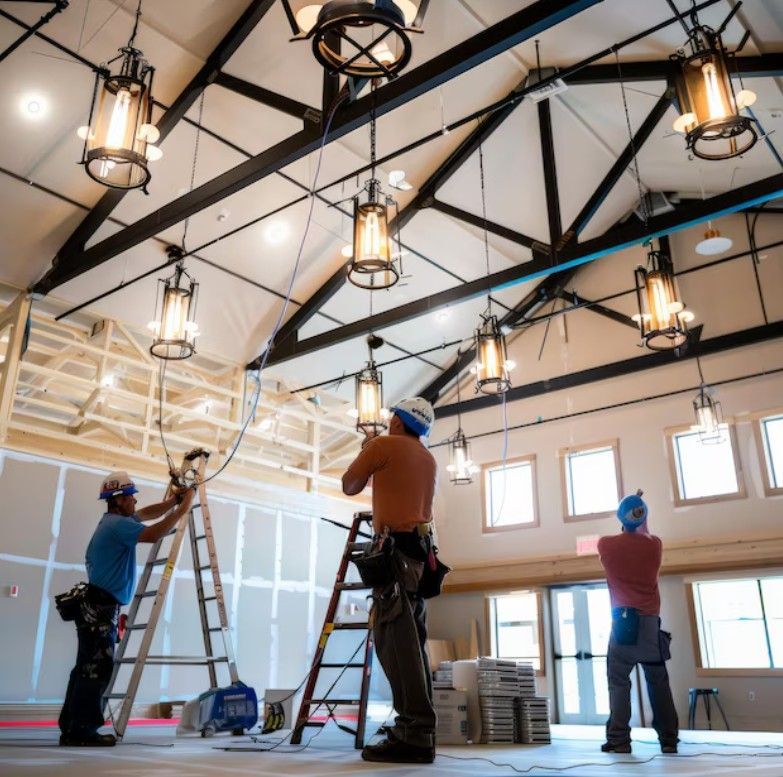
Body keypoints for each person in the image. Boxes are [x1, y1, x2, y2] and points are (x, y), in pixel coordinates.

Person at [58, 470, 194, 746]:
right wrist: (185, 508)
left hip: (97, 606)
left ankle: (72, 727)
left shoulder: (114, 521)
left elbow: (147, 513)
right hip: (100, 607)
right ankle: (83, 731)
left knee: (85, 667)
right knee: (96, 669)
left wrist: (173, 502)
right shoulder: (118, 526)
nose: (134, 502)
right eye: (130, 497)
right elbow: (154, 533)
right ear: (118, 500)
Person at [342, 397, 439, 765]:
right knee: (413, 642)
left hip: (395, 555)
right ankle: (421, 730)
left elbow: (349, 485)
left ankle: (413, 732)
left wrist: (367, 449)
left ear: (399, 421)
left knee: (394, 642)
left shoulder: (383, 445)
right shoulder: (427, 457)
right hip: (419, 556)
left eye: (391, 417)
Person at [597, 490, 679, 755]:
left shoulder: (606, 545)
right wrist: (640, 509)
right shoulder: (655, 545)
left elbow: (627, 529)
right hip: (649, 625)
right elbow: (644, 531)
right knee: (658, 682)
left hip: (622, 623)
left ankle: (619, 741)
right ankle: (668, 740)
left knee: (618, 682)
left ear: (621, 518)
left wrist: (629, 510)